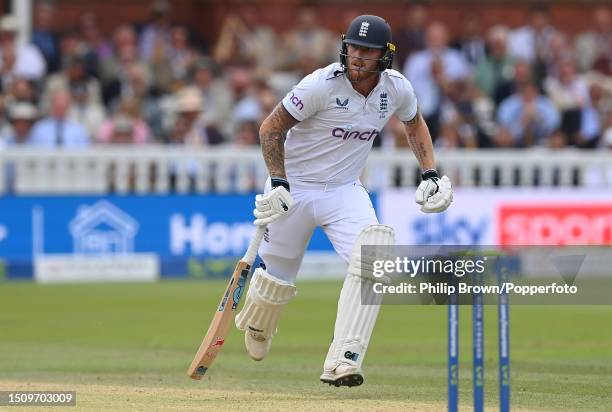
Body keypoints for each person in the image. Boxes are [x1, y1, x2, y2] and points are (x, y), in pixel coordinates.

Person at [235, 15, 453, 387]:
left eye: (367, 50)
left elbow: (414, 123)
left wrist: (430, 172)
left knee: (375, 253)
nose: (357, 56)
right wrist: (278, 182)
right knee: (275, 280)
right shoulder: (320, 84)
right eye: (353, 47)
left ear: (386, 55)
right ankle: (258, 323)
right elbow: (271, 127)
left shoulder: (397, 89)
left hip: (344, 190)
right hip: (296, 188)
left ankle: (344, 358)